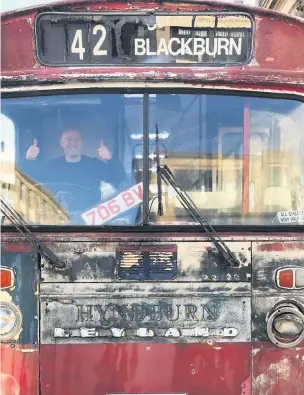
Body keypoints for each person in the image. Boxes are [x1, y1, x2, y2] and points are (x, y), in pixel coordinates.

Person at [23, 128, 126, 212]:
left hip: (91, 223)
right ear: (61, 143)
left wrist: (111, 159)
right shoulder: (51, 166)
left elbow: (120, 178)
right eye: (68, 139)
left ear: (82, 143)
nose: (73, 143)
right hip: (56, 220)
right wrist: (28, 159)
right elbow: (26, 180)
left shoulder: (95, 165)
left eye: (77, 139)